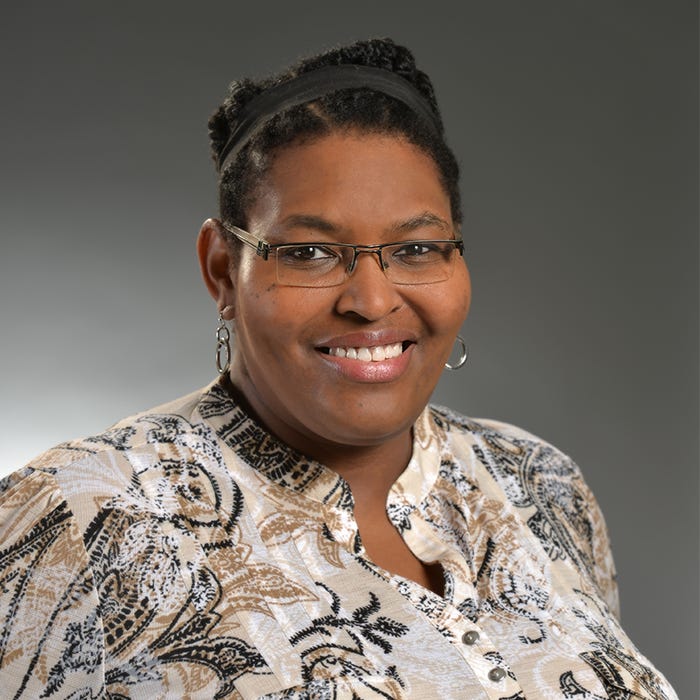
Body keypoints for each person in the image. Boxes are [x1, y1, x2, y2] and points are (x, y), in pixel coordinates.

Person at [0, 38, 676, 700]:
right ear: (221, 271)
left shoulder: (541, 484)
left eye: (416, 247)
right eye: (309, 254)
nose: (373, 301)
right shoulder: (79, 515)